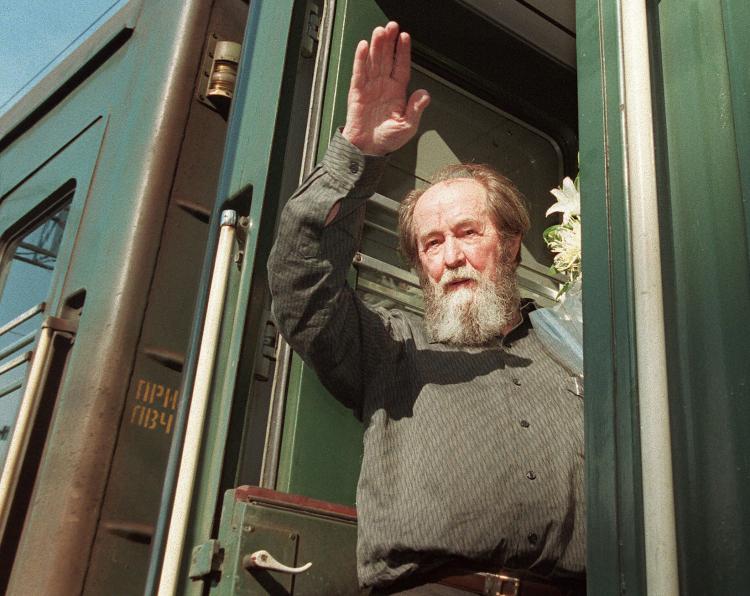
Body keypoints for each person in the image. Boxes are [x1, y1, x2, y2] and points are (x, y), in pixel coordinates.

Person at [268, 21, 584, 596]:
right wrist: (357, 152)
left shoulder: (572, 352)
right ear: (420, 266)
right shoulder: (389, 348)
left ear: (510, 245)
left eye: (468, 232)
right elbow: (299, 283)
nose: (453, 256)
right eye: (432, 244)